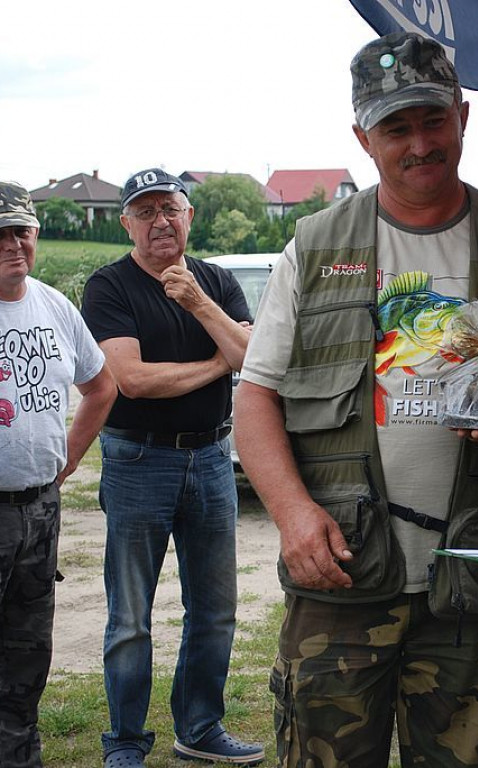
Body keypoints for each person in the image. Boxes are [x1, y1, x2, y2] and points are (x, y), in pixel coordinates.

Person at [233, 31, 478, 768]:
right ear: (362, 138)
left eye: (432, 120)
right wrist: (293, 514)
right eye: (395, 127)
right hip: (341, 576)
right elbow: (255, 398)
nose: (419, 144)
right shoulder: (312, 245)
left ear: (462, 118)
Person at [80, 169, 263, 768]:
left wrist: (200, 305)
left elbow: (252, 360)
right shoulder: (109, 287)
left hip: (212, 457)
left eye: (171, 209)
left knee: (215, 609)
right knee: (131, 614)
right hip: (138, 460)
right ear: (127, 222)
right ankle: (126, 743)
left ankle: (200, 729)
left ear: (190, 218)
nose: (161, 220)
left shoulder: (214, 281)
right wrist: (220, 361)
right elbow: (132, 380)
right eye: (146, 211)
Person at [0, 182, 116, 768]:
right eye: (0, 233)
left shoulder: (52, 306)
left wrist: (65, 458)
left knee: (27, 651)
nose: (13, 244)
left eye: (21, 230)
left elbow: (100, 386)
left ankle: (20, 755)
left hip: (39, 510)